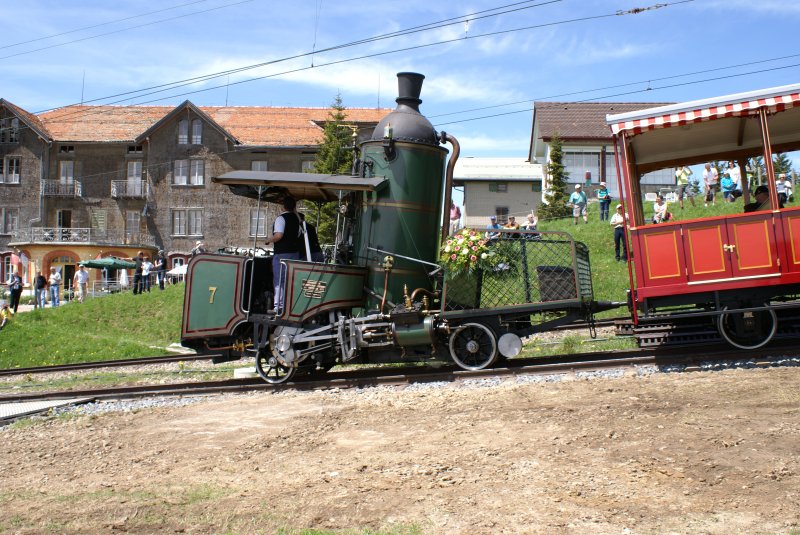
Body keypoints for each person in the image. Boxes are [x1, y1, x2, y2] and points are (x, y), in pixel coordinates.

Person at [267, 196, 302, 311]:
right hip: (295, 254)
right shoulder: (297, 220)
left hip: (282, 254)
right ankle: (289, 305)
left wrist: (268, 240)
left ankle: (279, 306)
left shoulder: (281, 218)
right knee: (290, 280)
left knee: (279, 280)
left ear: (283, 206)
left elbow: (279, 235)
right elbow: (298, 235)